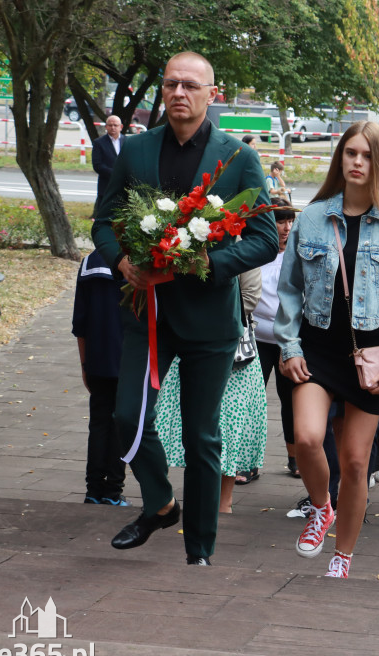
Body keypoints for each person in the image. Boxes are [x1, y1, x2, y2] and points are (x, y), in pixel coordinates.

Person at [91, 51, 279, 566]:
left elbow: (264, 240)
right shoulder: (133, 150)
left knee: (201, 439)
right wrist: (123, 260)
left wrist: (198, 264)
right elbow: (102, 222)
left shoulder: (237, 157)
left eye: (190, 85)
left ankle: (200, 550)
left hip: (208, 322)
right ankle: (159, 502)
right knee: (127, 416)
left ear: (210, 94)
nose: (179, 92)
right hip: (145, 313)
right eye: (171, 83)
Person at [275, 120, 379, 579]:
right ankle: (322, 507)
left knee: (357, 461)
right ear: (340, 158)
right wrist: (288, 345)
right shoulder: (313, 217)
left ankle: (342, 558)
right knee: (305, 438)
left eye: (365, 155)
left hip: (372, 357)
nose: (357, 162)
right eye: (350, 153)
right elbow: (288, 290)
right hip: (317, 349)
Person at [155, 265, 266, 512]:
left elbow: (250, 297)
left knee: (229, 430)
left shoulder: (241, 244)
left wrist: (208, 319)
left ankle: (223, 505)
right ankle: (190, 500)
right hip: (188, 344)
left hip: (231, 354)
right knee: (188, 425)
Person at [72, 249, 128, 506]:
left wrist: (85, 364)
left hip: (96, 358)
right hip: (129, 358)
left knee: (98, 424)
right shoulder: (136, 260)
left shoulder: (89, 262)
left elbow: (79, 323)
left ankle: (93, 489)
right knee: (120, 426)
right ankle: (113, 491)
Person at [255, 199, 302, 477]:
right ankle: (248, 462)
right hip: (256, 340)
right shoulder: (254, 252)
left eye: (289, 221)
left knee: (292, 401)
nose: (286, 228)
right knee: (252, 402)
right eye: (280, 221)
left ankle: (295, 458)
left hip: (289, 340)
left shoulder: (298, 254)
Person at [91, 115, 124, 211]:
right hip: (106, 186)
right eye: (110, 125)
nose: (113, 127)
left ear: (121, 127)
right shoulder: (99, 143)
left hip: (124, 187)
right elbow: (97, 165)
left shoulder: (128, 142)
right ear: (106, 127)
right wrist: (115, 173)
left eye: (115, 125)